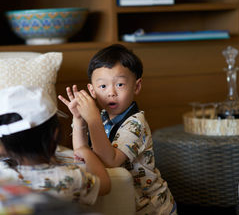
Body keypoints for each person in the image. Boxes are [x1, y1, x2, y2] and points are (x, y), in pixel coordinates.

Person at [58, 44, 176, 215]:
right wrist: (78, 118)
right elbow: (80, 150)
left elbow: (111, 162)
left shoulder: (136, 122)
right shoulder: (102, 116)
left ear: (136, 86)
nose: (111, 92)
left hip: (151, 206)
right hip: (122, 198)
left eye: (120, 84)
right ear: (92, 90)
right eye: (103, 86)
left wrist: (93, 119)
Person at [0, 85, 110, 205]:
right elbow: (104, 184)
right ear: (54, 134)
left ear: (5, 141)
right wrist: (84, 150)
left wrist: (4, 149)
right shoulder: (71, 178)